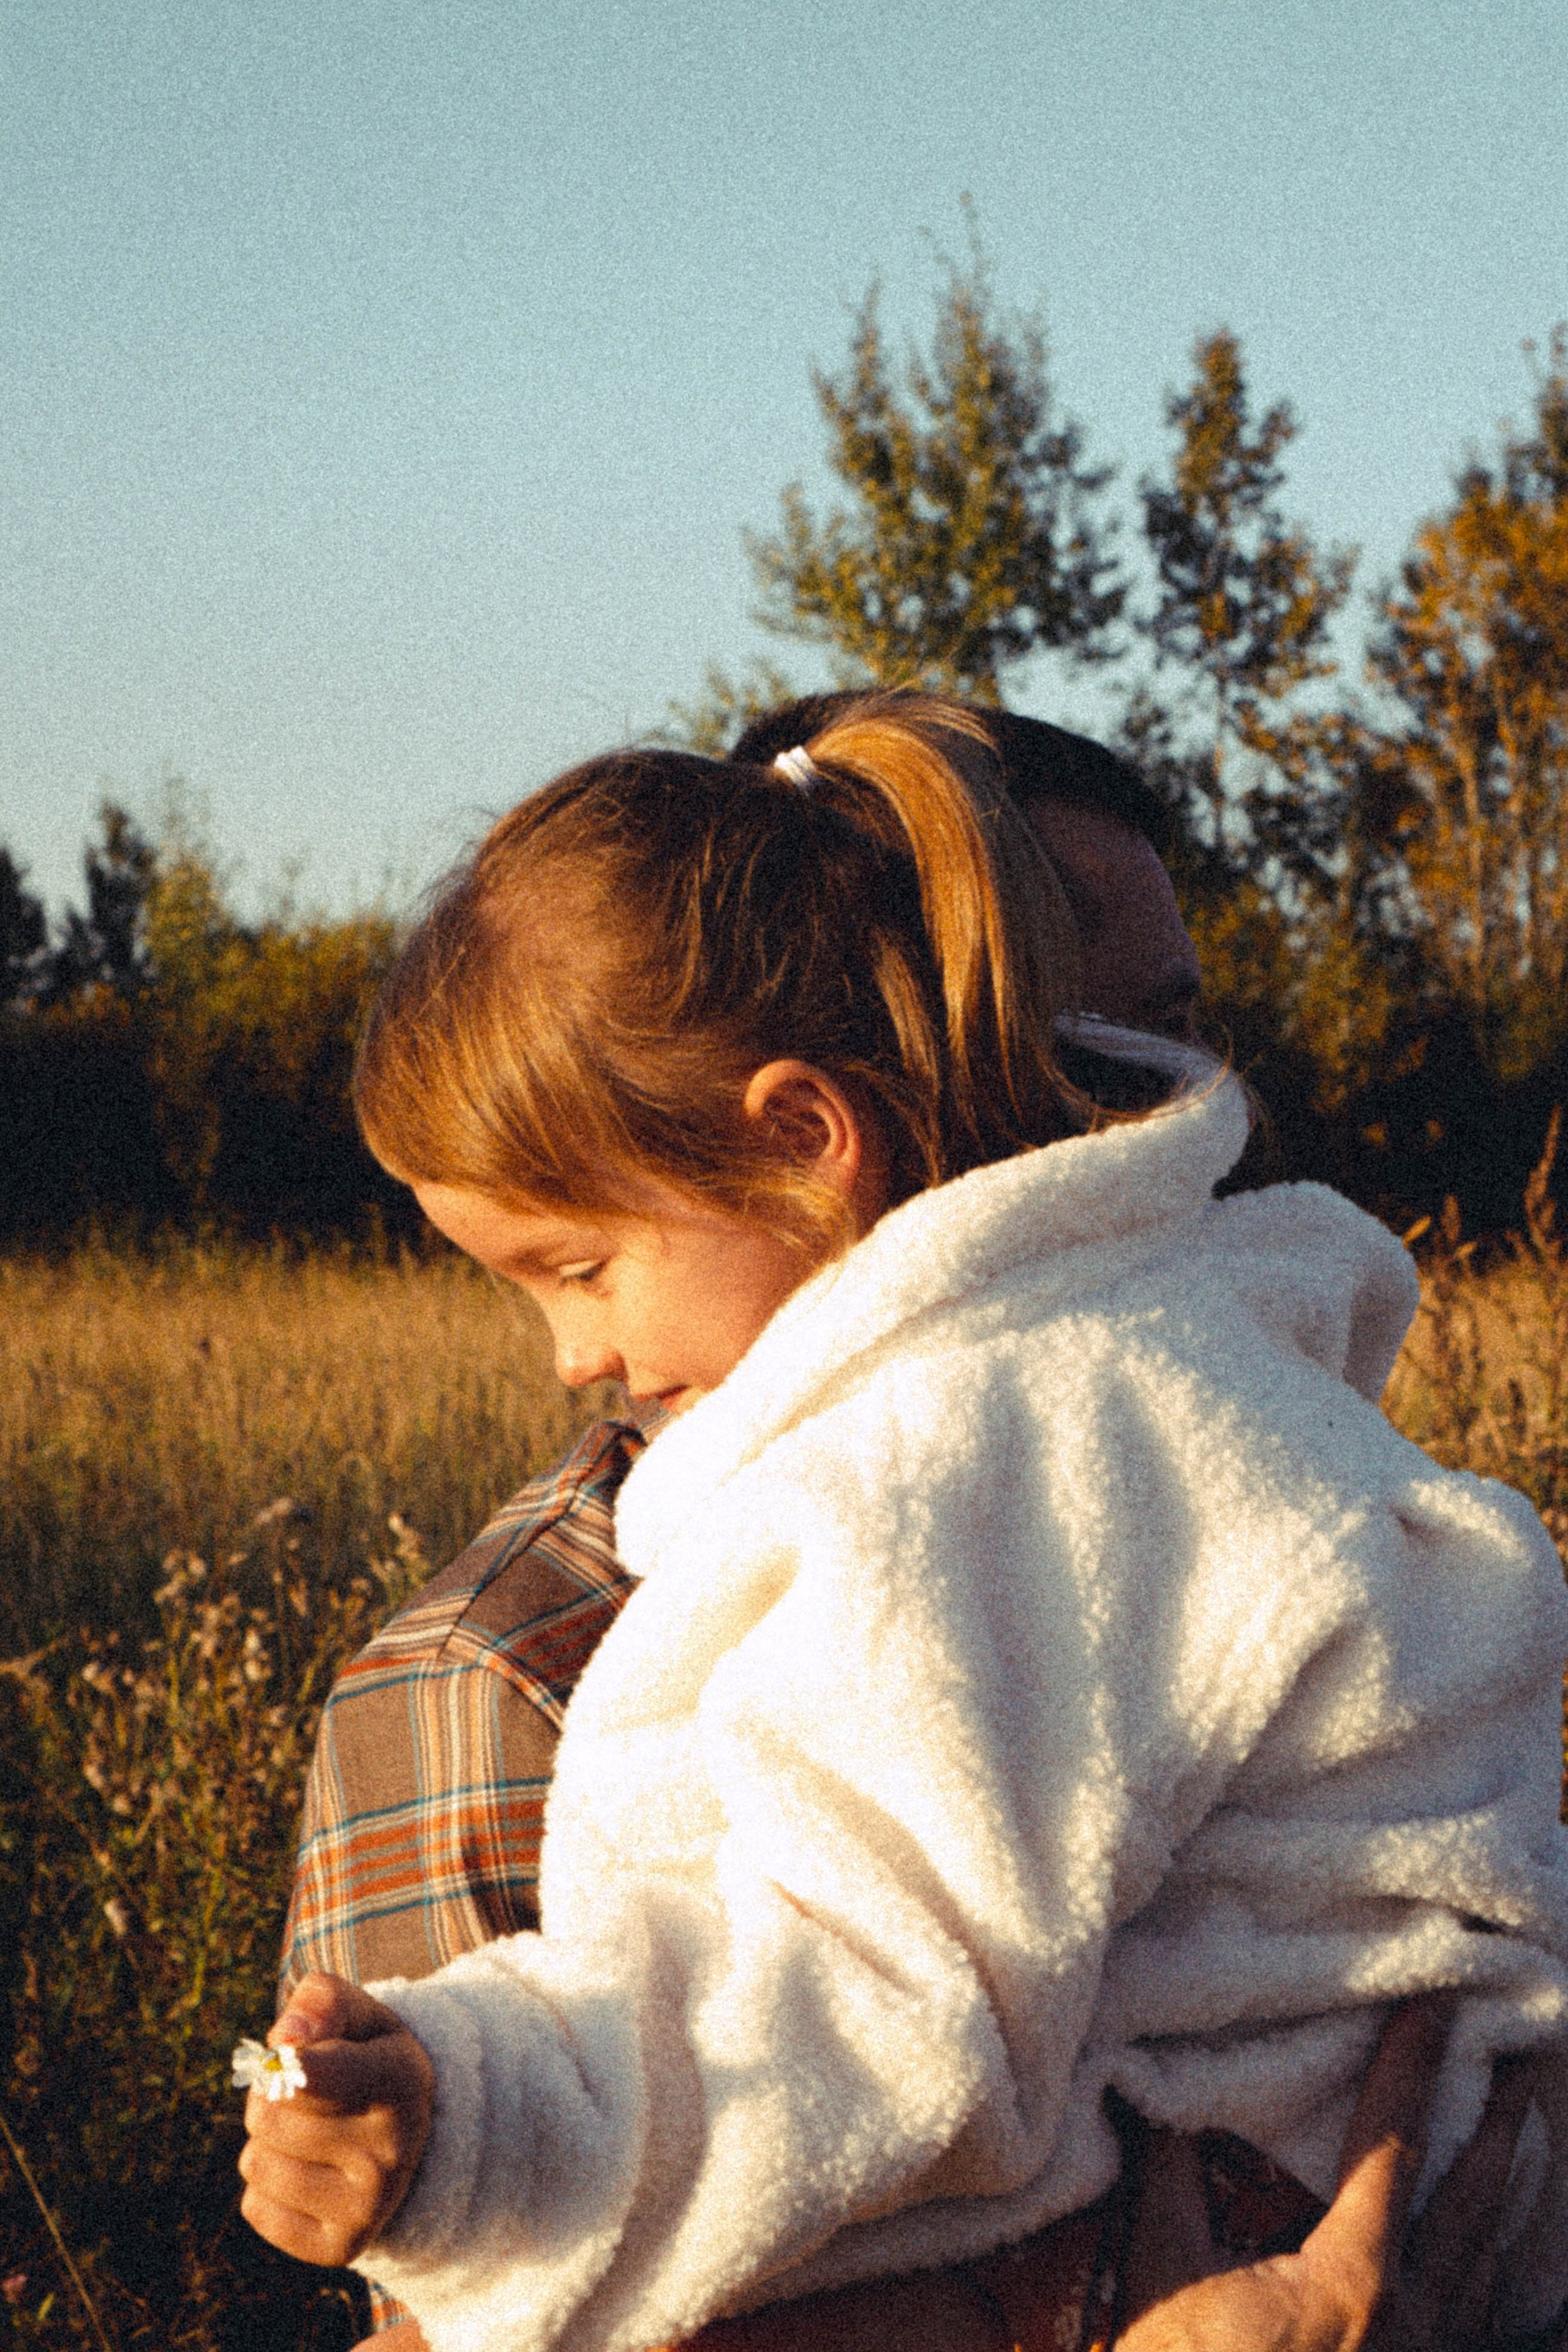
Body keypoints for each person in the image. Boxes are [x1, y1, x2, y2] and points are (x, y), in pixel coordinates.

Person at [248, 695, 1568, 2349]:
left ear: (804, 1137)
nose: (572, 1354)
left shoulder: (981, 1457)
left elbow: (883, 2003)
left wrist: (473, 2112)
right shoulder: (506, 1662)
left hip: (1241, 2206)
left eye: (579, 1269)